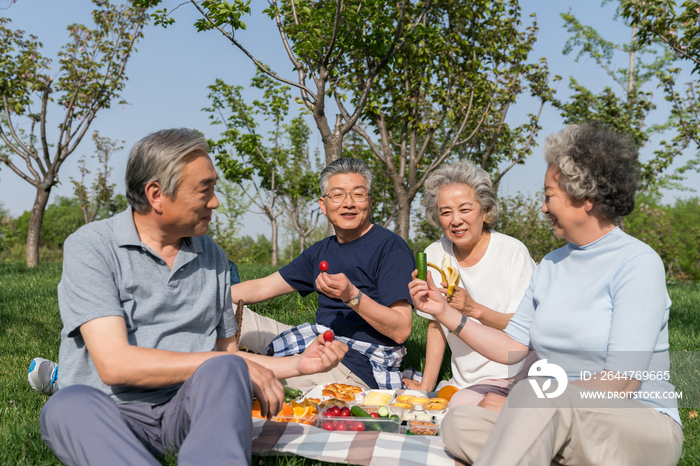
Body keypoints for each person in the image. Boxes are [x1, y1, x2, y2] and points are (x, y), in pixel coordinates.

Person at [35, 129, 347, 466]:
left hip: (187, 413)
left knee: (226, 367)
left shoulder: (212, 255)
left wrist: (298, 364)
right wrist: (218, 363)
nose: (215, 201)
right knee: (64, 407)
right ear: (156, 195)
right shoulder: (92, 246)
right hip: (108, 411)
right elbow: (114, 364)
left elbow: (226, 358)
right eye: (205, 189)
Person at [409, 123, 683, 466]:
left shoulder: (638, 263)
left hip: (636, 423)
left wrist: (526, 403)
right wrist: (444, 312)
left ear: (585, 197)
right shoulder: (551, 265)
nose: (542, 207)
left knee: (533, 398)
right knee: (461, 422)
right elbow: (511, 348)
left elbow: (622, 382)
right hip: (555, 413)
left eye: (549, 195)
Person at [231, 157, 416, 391]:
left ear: (369, 201)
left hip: (353, 365)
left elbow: (401, 330)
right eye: (338, 195)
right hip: (316, 342)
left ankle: (235, 366)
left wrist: (352, 296)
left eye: (358, 195)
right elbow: (262, 288)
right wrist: (204, 298)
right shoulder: (322, 250)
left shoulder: (390, 248)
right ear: (323, 204)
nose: (348, 203)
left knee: (239, 373)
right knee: (219, 311)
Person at [403, 159, 535, 410]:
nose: (455, 220)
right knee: (427, 410)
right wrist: (425, 388)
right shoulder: (433, 254)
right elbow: (436, 327)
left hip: (513, 375)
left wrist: (475, 310)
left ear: (484, 211)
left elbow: (528, 329)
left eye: (465, 209)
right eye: (445, 212)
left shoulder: (513, 253)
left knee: (462, 412)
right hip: (466, 381)